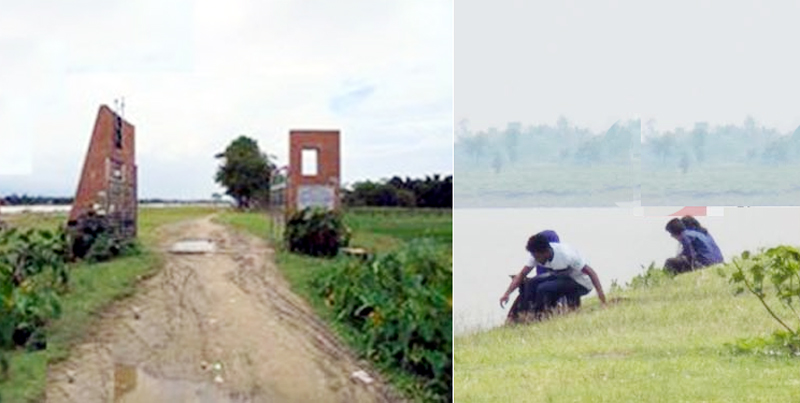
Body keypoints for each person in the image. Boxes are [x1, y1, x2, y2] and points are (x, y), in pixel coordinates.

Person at [501, 233, 606, 322]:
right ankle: (524, 313)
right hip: (562, 276)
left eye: (538, 257)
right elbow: (522, 274)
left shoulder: (567, 256)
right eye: (534, 257)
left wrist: (601, 297)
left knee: (544, 288)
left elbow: (591, 273)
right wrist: (507, 294)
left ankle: (540, 316)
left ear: (546, 252)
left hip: (581, 282)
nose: (536, 260)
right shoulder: (535, 255)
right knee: (532, 283)